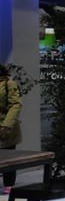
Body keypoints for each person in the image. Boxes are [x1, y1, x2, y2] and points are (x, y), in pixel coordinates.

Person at [0, 64, 22, 193]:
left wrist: (6, 125)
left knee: (8, 157)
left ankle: (9, 186)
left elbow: (15, 105)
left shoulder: (9, 83)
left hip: (6, 127)